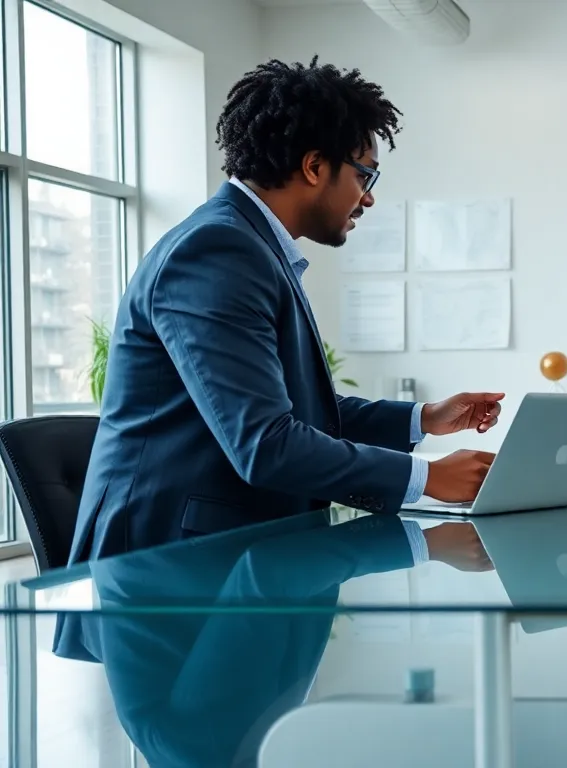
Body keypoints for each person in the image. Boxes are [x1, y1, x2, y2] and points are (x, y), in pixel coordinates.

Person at [67, 57, 502, 564]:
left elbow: (296, 407)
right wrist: (429, 477)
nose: (368, 199)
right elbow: (266, 442)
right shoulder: (216, 251)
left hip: (235, 555)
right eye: (366, 175)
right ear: (315, 167)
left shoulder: (248, 245)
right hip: (168, 571)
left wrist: (423, 418)